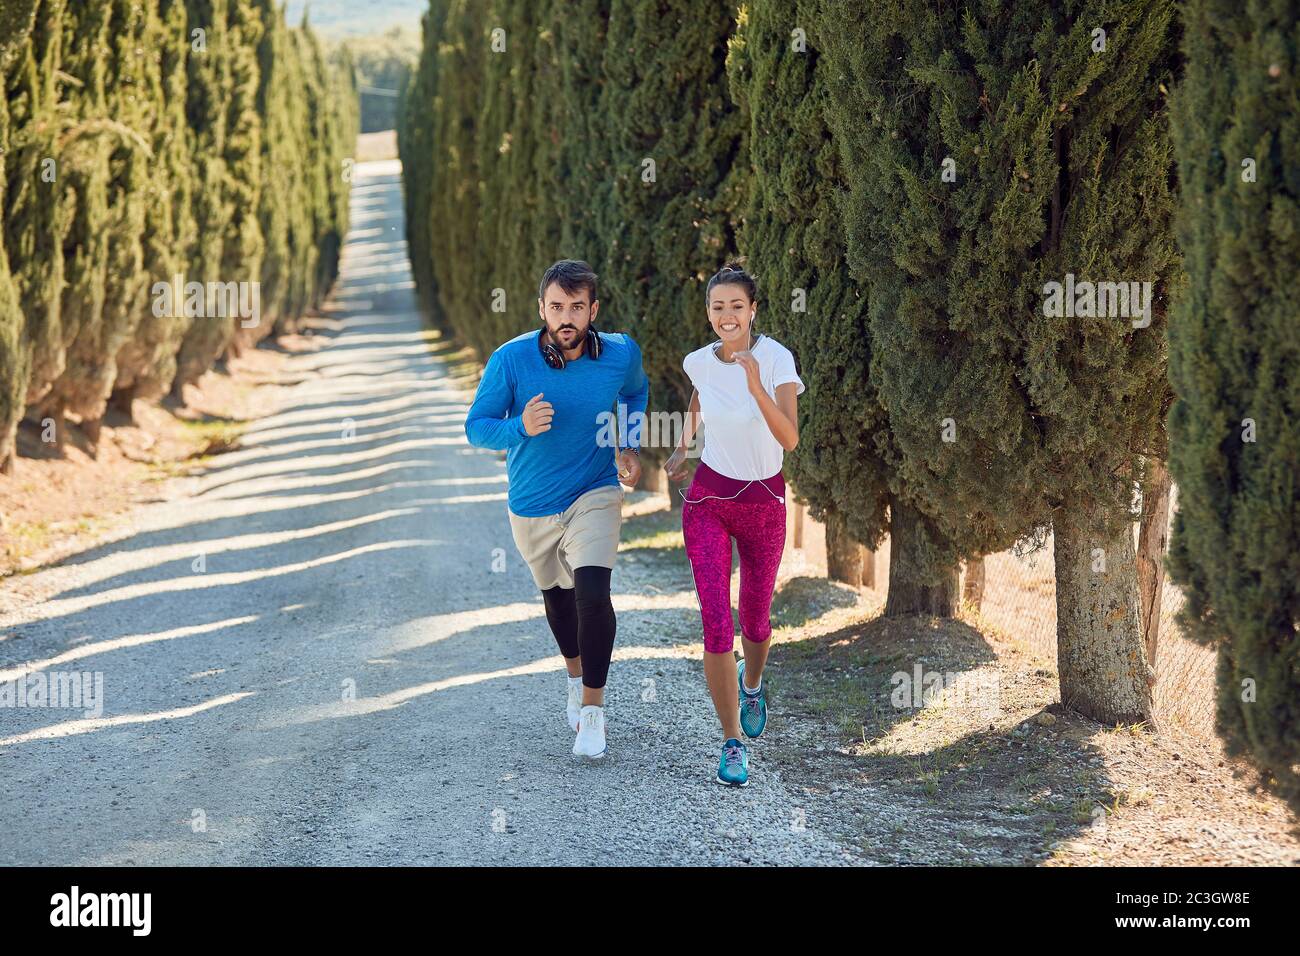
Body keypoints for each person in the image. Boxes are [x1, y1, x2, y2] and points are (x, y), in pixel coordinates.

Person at [465, 259, 648, 759]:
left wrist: (627, 442)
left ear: (593, 309)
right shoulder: (510, 360)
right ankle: (574, 673)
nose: (566, 317)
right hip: (532, 504)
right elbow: (476, 426)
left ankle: (593, 710)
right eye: (556, 307)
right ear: (541, 308)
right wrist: (519, 426)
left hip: (595, 489)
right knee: (560, 600)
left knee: (592, 591)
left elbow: (634, 390)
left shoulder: (619, 353)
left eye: (577, 307)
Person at [665, 262, 803, 786]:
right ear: (709, 313)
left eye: (736, 306)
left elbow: (789, 438)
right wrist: (685, 446)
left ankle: (753, 684)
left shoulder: (775, 360)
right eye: (717, 307)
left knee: (756, 621)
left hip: (764, 503)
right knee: (717, 625)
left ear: (752, 311)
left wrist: (753, 383)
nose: (727, 315)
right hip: (708, 502)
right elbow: (701, 395)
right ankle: (731, 743)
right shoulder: (698, 361)